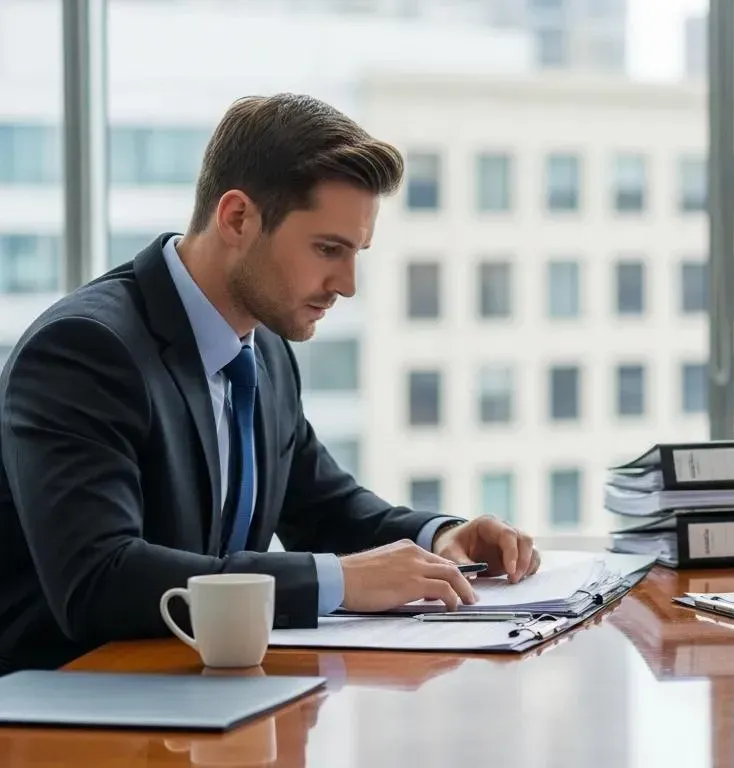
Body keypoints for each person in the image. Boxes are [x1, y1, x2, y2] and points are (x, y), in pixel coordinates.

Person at [0, 93, 541, 672]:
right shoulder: (85, 350)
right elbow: (99, 581)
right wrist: (339, 580)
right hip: (69, 711)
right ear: (237, 218)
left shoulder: (265, 349)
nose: (347, 284)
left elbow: (326, 507)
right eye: (328, 249)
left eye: (355, 252)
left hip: (200, 696)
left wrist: (442, 536)